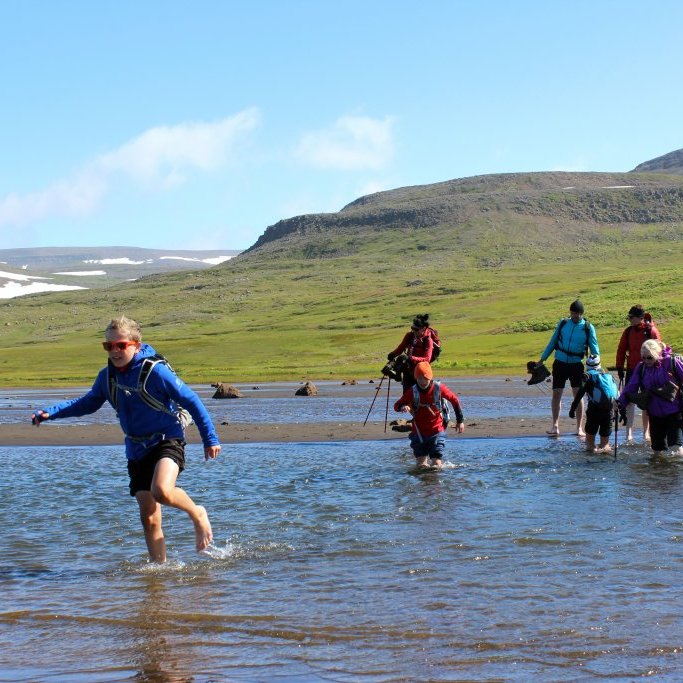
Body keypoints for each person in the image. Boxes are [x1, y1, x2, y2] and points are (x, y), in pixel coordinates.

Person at [31, 315, 221, 563]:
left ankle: (197, 514)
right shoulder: (107, 377)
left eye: (121, 345)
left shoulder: (156, 372)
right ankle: (158, 574)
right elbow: (86, 404)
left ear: (136, 345)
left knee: (162, 491)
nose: (114, 351)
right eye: (108, 345)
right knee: (149, 517)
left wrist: (210, 437)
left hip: (167, 439)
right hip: (136, 448)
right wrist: (51, 413)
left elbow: (192, 400)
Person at [537, 299, 600, 438]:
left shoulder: (588, 328)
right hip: (559, 363)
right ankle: (555, 426)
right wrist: (542, 359)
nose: (574, 316)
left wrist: (596, 367)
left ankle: (579, 428)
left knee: (578, 395)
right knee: (556, 393)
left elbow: (595, 350)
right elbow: (553, 342)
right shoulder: (563, 323)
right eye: (572, 313)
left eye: (577, 314)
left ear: (582, 314)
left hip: (577, 364)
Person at [617, 339, 683, 458]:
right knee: (657, 452)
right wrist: (620, 403)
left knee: (676, 448)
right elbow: (631, 387)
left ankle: (676, 473)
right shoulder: (641, 368)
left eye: (649, 357)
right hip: (654, 414)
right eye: (643, 357)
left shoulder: (671, 362)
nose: (646, 361)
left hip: (674, 412)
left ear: (657, 354)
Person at [393, 361, 464, 469]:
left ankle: (434, 485)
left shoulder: (439, 388)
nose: (422, 381)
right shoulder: (412, 391)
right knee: (421, 466)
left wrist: (460, 421)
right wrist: (403, 407)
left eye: (425, 378)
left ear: (430, 377)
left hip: (437, 431)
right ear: (416, 378)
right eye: (419, 378)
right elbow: (396, 405)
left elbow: (454, 400)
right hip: (418, 434)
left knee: (436, 464)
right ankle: (424, 485)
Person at [615, 305, 661, 443]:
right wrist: (619, 367)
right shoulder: (628, 332)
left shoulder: (651, 331)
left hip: (648, 370)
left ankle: (646, 432)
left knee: (648, 401)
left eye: (631, 317)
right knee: (629, 400)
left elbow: (659, 350)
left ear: (640, 318)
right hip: (631, 370)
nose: (629, 320)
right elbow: (621, 349)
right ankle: (629, 432)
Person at [568, 355, 618, 453]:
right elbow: (617, 395)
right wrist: (621, 413)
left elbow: (579, 395)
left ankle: (591, 464)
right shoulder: (609, 377)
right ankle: (604, 464)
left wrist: (572, 409)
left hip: (594, 411)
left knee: (590, 445)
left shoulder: (588, 377)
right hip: (609, 412)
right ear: (599, 365)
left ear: (587, 366)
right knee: (605, 446)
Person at [387, 313, 435, 391]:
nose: (413, 331)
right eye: (412, 328)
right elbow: (401, 348)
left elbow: (427, 359)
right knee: (407, 395)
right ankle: (397, 375)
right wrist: (393, 354)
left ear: (424, 328)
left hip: (422, 372)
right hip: (409, 370)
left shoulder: (428, 341)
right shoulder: (410, 335)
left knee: (420, 397)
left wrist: (412, 358)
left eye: (416, 329)